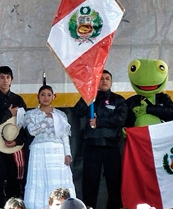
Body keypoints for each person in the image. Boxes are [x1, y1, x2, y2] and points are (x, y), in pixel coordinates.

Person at [73, 70, 127, 209]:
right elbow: (77, 112)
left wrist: (100, 121)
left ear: (111, 82)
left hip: (111, 146)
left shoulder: (118, 100)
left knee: (114, 181)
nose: (104, 81)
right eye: (101, 78)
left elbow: (121, 119)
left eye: (107, 78)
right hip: (92, 145)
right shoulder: (90, 97)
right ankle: (89, 207)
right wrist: (86, 95)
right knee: (90, 182)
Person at [23, 85, 75, 209]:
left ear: (53, 97)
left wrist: (67, 154)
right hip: (39, 151)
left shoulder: (60, 115)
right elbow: (32, 131)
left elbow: (64, 136)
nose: (46, 97)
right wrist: (47, 119)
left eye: (48, 95)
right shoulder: (31, 114)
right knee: (39, 180)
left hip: (57, 152)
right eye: (43, 94)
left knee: (58, 180)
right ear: (38, 97)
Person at [0, 66, 28, 207]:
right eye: (2, 77)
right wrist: (7, 114)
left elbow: (25, 125)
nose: (5, 80)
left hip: (13, 147)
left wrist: (16, 141)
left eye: (8, 77)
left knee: (14, 182)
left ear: (12, 80)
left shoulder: (18, 100)